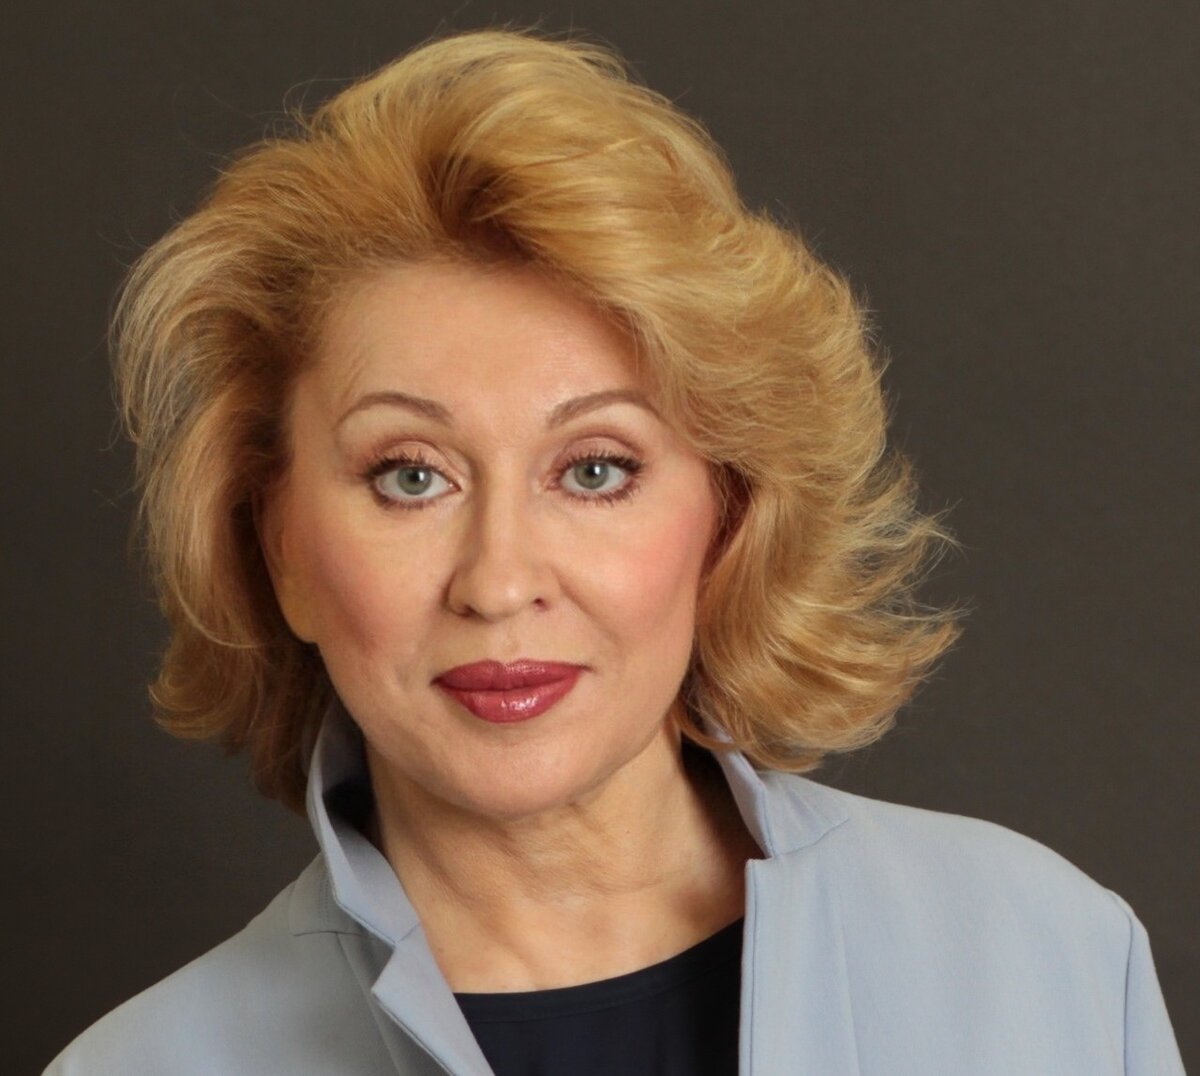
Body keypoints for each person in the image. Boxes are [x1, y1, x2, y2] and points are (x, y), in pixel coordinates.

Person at [46, 27, 1182, 1076]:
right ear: (282, 550)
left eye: (594, 470)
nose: (500, 583)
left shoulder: (1050, 956)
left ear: (728, 515)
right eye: (410, 475)